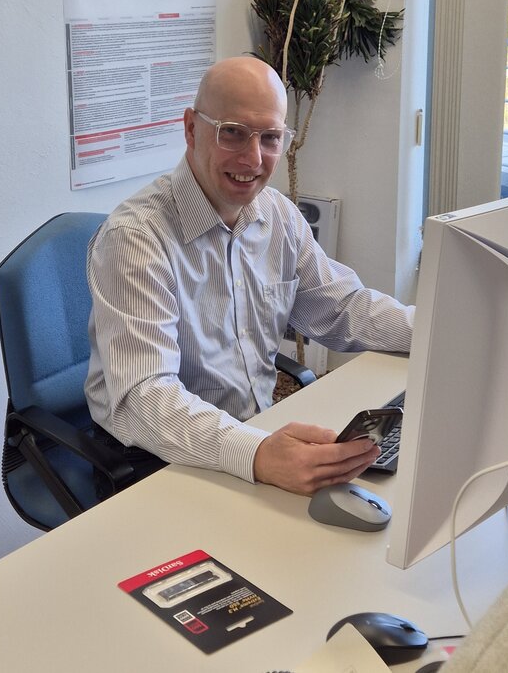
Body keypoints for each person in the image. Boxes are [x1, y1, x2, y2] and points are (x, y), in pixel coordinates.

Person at [85, 57, 415, 496]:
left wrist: (443, 333)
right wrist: (258, 456)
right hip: (155, 456)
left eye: (271, 138)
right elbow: (148, 398)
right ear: (191, 129)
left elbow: (343, 309)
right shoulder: (135, 239)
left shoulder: (276, 215)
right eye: (233, 133)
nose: (254, 158)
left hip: (255, 432)